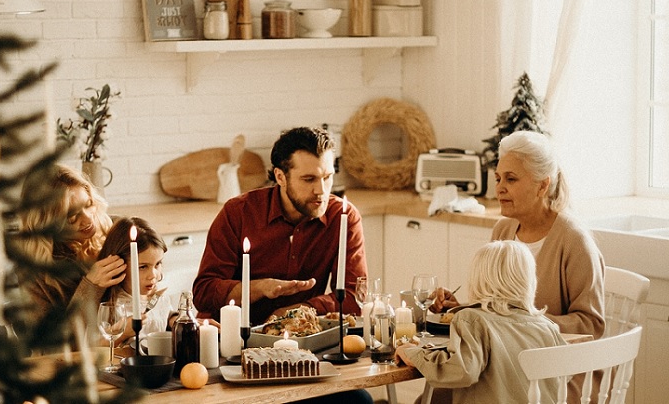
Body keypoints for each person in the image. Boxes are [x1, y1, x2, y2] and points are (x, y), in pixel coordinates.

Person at [193, 127, 371, 404]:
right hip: (232, 355)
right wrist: (258, 289)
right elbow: (204, 292)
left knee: (358, 401)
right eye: (309, 179)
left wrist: (295, 312)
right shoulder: (237, 213)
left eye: (327, 177)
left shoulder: (342, 217)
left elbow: (352, 297)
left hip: (302, 353)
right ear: (280, 176)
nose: (321, 191)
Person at [432, 130, 605, 403]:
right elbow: (496, 306)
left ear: (542, 185)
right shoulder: (503, 230)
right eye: (499, 178)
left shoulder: (574, 241)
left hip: (558, 374)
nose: (499, 187)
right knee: (438, 392)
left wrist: (525, 322)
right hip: (506, 360)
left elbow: (591, 325)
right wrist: (460, 307)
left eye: (511, 179)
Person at [395, 240, 565, 403]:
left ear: (478, 280)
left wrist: (412, 353)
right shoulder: (546, 325)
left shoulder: (473, 319)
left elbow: (460, 370)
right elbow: (566, 373)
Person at [17, 164, 126, 319]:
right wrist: (91, 286)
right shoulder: (34, 274)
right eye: (72, 216)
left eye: (89, 204)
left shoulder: (115, 230)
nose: (88, 218)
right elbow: (50, 340)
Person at [96, 216, 173, 346]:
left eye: (158, 264)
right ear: (118, 266)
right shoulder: (109, 306)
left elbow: (167, 318)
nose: (153, 275)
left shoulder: (159, 297)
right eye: (142, 267)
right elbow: (90, 351)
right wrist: (123, 333)